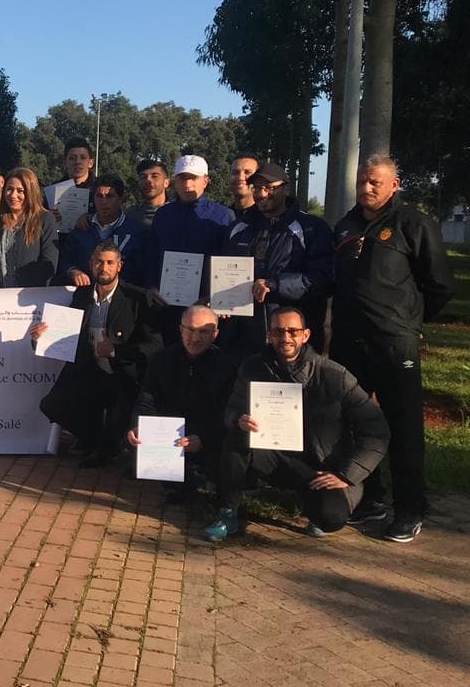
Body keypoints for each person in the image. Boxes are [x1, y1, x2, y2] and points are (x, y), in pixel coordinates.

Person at [333, 155, 454, 542]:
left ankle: (409, 509)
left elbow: (439, 284)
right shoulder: (346, 225)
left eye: (375, 183)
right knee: (354, 425)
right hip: (350, 342)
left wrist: (409, 323)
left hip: (393, 343)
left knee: (402, 428)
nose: (367, 188)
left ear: (394, 184)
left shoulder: (413, 223)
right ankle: (372, 498)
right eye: (363, 182)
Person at [203, 307, 390, 542]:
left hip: (322, 467)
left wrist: (346, 474)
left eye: (293, 331)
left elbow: (376, 428)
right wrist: (238, 419)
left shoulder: (334, 376)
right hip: (274, 458)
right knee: (236, 437)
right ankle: (228, 512)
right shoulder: (253, 367)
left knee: (331, 518)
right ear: (269, 335)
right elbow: (232, 410)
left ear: (306, 335)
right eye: (278, 331)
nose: (286, 338)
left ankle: (312, 506)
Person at [32, 240, 163, 466]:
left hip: (123, 376)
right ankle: (94, 440)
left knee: (116, 432)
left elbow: (154, 346)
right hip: (87, 371)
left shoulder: (138, 298)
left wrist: (116, 350)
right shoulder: (81, 296)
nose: (104, 268)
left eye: (110, 263)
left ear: (119, 266)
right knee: (51, 405)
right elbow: (65, 337)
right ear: (91, 264)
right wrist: (39, 339)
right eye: (99, 262)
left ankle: (107, 444)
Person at [223, 161, 333, 354]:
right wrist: (219, 297)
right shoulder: (239, 228)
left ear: (286, 188)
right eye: (256, 188)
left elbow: (322, 278)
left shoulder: (311, 228)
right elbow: (223, 272)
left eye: (269, 188)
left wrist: (275, 284)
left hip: (289, 335)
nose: (262, 194)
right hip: (242, 334)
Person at [128, 305, 237, 499]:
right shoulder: (161, 359)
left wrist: (203, 438)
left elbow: (227, 412)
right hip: (170, 435)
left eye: (204, 332)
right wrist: (139, 426)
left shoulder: (227, 365)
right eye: (191, 330)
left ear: (215, 334)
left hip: (206, 436)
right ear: (181, 330)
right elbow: (147, 398)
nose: (195, 338)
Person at [146, 155, 234, 305]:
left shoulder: (223, 215)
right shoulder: (163, 214)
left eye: (193, 178)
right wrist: (151, 286)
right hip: (165, 302)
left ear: (206, 181)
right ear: (175, 181)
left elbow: (229, 262)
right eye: (182, 178)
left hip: (205, 304)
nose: (187, 184)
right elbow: (151, 255)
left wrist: (217, 297)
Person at [56, 175, 142, 286]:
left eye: (109, 196)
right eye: (99, 196)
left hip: (122, 298)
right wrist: (72, 271)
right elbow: (64, 261)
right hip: (85, 296)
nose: (104, 202)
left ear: (120, 199)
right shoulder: (81, 229)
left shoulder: (136, 232)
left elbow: (141, 271)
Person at [0, 167, 58, 288]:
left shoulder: (45, 219)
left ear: (30, 192)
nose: (13, 195)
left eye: (20, 191)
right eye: (9, 189)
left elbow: (49, 261)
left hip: (30, 296)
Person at [126, 157, 170, 232]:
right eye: (143, 177)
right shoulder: (129, 216)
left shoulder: (178, 214)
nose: (148, 180)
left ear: (166, 183)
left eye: (154, 176)